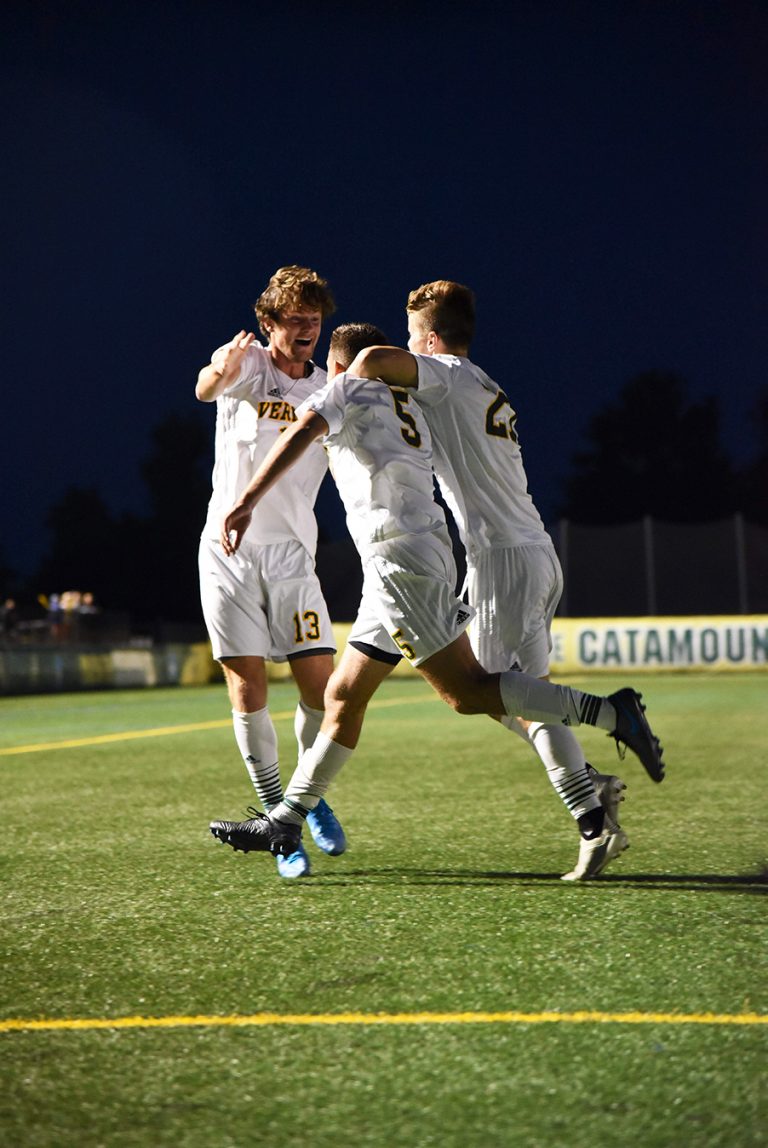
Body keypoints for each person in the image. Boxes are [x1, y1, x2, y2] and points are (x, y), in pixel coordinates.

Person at [210, 322, 665, 873]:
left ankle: (611, 713)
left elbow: (302, 429)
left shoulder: (349, 386)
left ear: (337, 366)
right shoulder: (412, 400)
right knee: (343, 696)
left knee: (470, 693)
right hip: (406, 560)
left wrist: (245, 501)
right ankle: (285, 823)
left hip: (400, 561)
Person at [346, 280, 653, 880]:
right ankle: (593, 812)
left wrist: (347, 382)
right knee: (527, 694)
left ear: (431, 339)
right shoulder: (488, 383)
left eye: (414, 335)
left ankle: (609, 738)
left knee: (478, 690)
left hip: (502, 560)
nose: (408, 348)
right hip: (535, 552)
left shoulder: (448, 373)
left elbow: (379, 361)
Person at [197, 265, 347, 879]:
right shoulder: (246, 365)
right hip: (226, 553)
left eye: (315, 318)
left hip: (292, 557)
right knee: (247, 689)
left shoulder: (325, 388)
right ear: (269, 322)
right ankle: (278, 822)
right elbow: (207, 387)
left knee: (321, 689)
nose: (308, 327)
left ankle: (304, 798)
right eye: (296, 318)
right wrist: (220, 367)